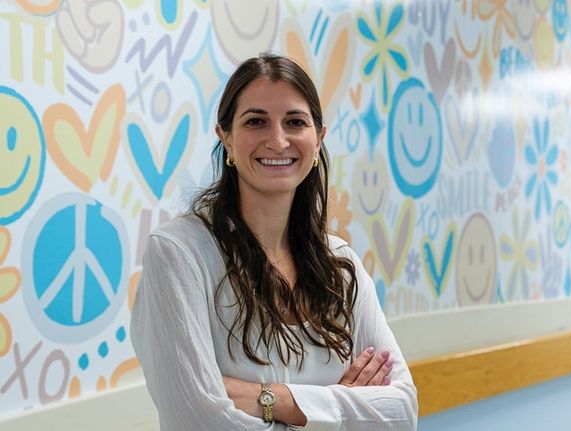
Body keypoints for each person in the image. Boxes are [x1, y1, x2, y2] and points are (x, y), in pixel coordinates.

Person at [130, 53, 418, 430]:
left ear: (318, 140)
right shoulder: (179, 253)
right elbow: (198, 419)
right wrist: (340, 409)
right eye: (256, 121)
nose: (278, 140)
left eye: (295, 122)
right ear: (226, 138)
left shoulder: (340, 265)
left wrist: (268, 399)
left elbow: (401, 412)